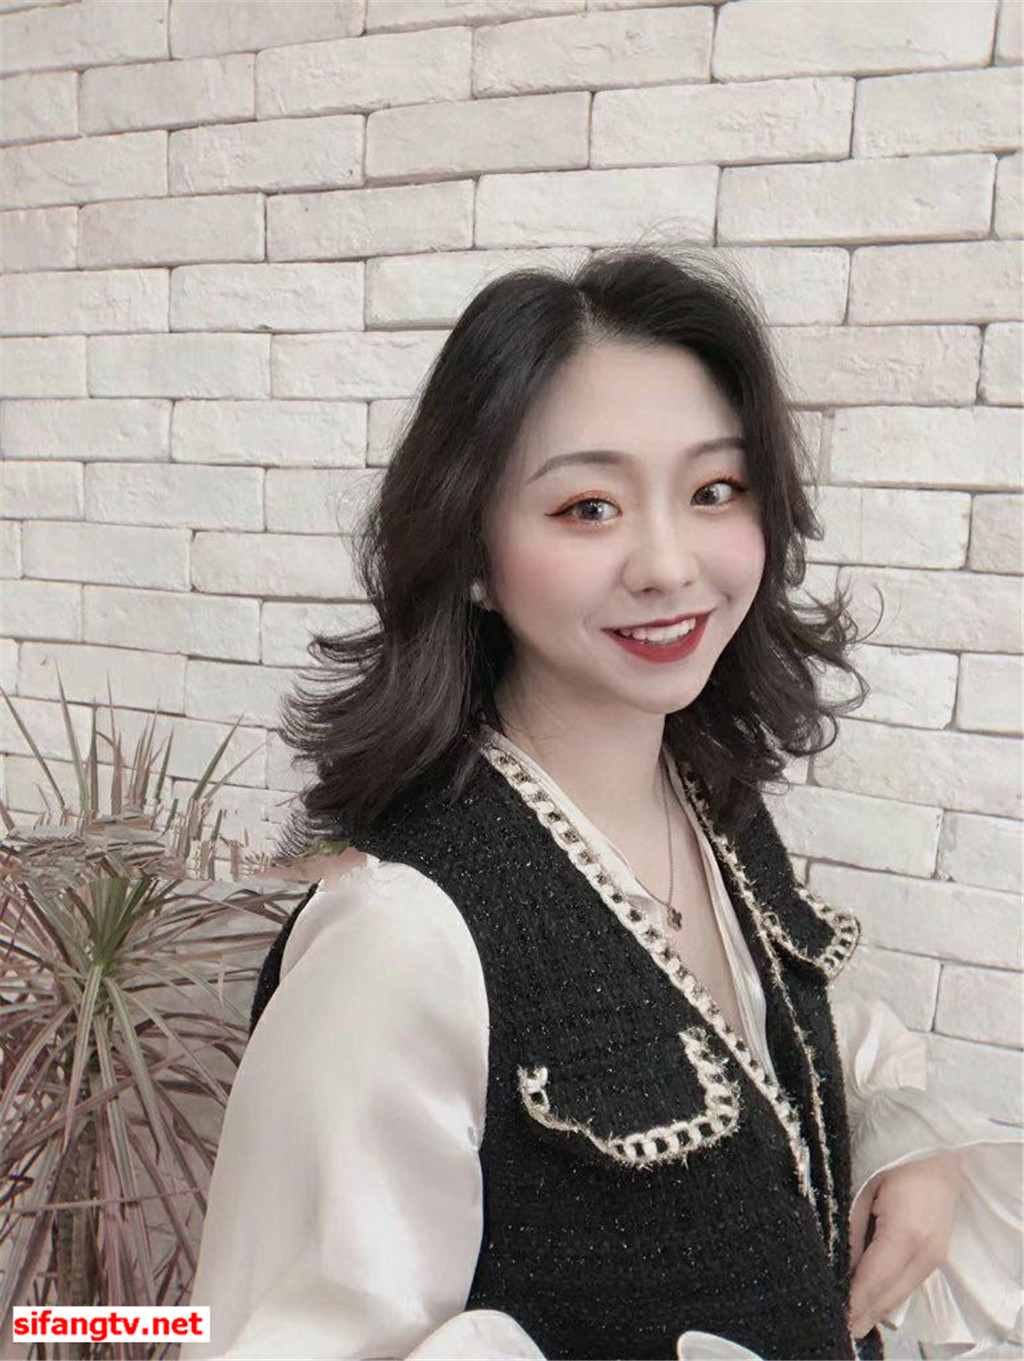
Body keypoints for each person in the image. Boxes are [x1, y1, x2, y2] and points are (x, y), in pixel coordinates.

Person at [180, 247, 1022, 1361]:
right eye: (588, 507)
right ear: (472, 552)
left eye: (714, 490)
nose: (668, 563)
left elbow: (803, 1059)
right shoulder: (406, 931)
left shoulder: (715, 805)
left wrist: (905, 1147)